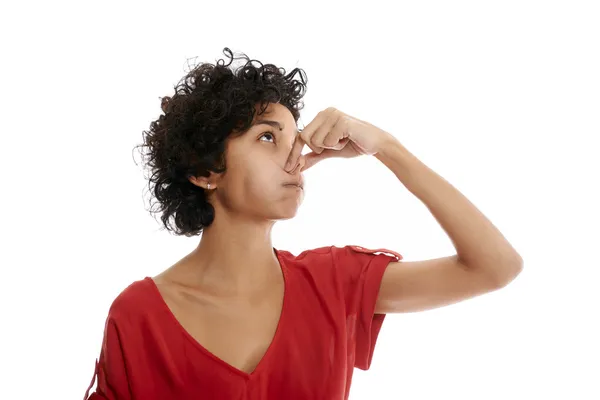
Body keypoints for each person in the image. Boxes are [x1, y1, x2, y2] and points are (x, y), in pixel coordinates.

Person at [83, 48, 523, 400]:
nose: (295, 158)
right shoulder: (139, 314)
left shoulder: (335, 283)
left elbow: (494, 266)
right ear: (205, 171)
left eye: (295, 140)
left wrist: (387, 148)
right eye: (268, 137)